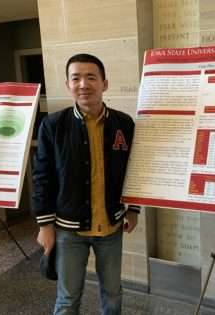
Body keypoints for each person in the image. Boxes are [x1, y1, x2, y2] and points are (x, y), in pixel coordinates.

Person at [32, 53, 140, 315]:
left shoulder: (123, 123)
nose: (83, 84)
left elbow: (134, 169)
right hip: (68, 230)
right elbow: (42, 176)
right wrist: (45, 225)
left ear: (105, 83)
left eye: (91, 77)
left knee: (113, 293)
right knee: (68, 298)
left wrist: (133, 209)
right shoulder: (53, 125)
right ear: (69, 85)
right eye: (76, 78)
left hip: (111, 227)